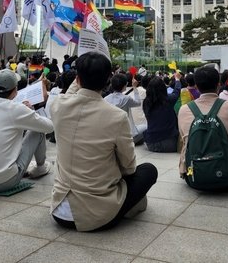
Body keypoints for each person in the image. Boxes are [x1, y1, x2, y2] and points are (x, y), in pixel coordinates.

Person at [50, 52, 158, 231]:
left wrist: (80, 79)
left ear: (77, 79)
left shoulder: (58, 105)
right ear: (109, 80)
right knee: (148, 171)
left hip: (59, 210)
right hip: (97, 215)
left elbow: (70, 93)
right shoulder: (116, 116)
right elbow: (129, 167)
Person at [0, 69, 53, 191]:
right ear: (15, 90)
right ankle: (40, 167)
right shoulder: (17, 109)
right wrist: (30, 112)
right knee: (36, 131)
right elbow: (49, 127)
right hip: (3, 181)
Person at [178, 66, 228, 191]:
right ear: (219, 85)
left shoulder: (184, 110)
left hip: (192, 178)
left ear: (196, 86)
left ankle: (190, 171)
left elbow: (184, 142)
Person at [143, 72, 182, 152]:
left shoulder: (146, 102)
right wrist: (177, 79)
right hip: (170, 144)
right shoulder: (169, 100)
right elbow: (177, 91)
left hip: (150, 143)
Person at [104, 73, 146, 144]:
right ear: (125, 85)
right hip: (128, 136)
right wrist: (135, 88)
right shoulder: (126, 99)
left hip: (111, 135)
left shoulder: (106, 99)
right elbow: (138, 103)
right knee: (146, 127)